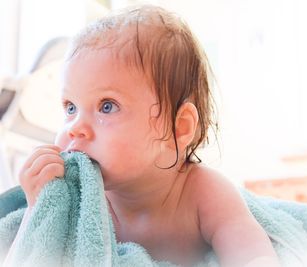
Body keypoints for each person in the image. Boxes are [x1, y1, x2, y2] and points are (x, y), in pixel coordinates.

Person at [16, 5, 280, 267]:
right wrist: (39, 207)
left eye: (107, 106)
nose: (74, 128)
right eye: (70, 107)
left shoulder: (204, 193)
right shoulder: (79, 197)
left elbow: (253, 255)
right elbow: (28, 254)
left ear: (179, 128)